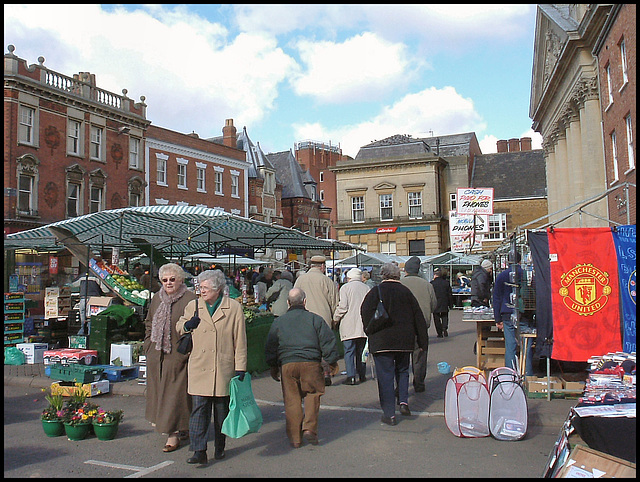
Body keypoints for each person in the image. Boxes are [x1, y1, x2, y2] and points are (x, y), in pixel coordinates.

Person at [177, 269, 247, 466]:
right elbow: (179, 326)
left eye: (205, 288)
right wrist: (187, 325)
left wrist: (240, 367)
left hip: (222, 367)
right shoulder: (194, 306)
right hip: (200, 365)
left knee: (221, 411)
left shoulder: (233, 308)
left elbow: (240, 340)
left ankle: (220, 446)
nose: (202, 291)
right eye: (200, 287)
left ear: (217, 289)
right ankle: (199, 450)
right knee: (199, 410)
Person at [264, 288, 340, 448]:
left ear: (287, 303)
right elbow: (328, 341)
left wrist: (273, 365)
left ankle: (295, 438)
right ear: (305, 302)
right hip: (311, 363)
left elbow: (271, 345)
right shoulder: (315, 319)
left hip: (287, 364)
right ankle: (309, 429)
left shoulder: (279, 322)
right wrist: (331, 361)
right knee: (313, 393)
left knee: (292, 400)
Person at [361, 262, 429, 425]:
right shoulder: (406, 292)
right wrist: (422, 341)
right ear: (398, 275)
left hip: (382, 340)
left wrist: (369, 331)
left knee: (385, 376)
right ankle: (404, 402)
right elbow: (418, 317)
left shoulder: (375, 292)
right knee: (403, 371)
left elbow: (365, 312)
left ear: (383, 275)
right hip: (404, 341)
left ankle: (389, 413)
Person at [143, 262, 196, 453]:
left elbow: (195, 328)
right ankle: (178, 428)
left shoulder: (190, 299)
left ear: (180, 279)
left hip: (178, 356)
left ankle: (173, 433)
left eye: (172, 279)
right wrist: (148, 345)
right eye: (164, 280)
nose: (168, 283)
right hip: (157, 356)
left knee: (176, 397)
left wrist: (186, 352)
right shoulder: (157, 298)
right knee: (162, 395)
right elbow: (149, 322)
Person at [293, 255, 339, 386]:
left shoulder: (300, 280)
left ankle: (307, 374)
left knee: (306, 347)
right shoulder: (327, 281)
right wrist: (334, 320)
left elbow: (294, 298)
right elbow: (334, 302)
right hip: (323, 318)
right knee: (323, 348)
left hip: (303, 318)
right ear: (322, 266)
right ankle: (325, 373)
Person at [492, 252, 534, 375]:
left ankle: (509, 375)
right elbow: (531, 295)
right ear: (520, 260)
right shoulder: (526, 274)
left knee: (510, 345)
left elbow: (497, 298)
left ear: (508, 262)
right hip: (524, 313)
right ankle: (527, 374)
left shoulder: (501, 276)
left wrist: (497, 318)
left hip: (506, 313)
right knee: (526, 346)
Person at [400, 256, 436, 393]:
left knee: (402, 357)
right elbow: (434, 305)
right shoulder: (427, 285)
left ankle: (401, 384)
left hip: (403, 327)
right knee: (420, 356)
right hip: (421, 327)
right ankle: (419, 382)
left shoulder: (400, 283)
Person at [332, 268, 371, 385]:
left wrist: (335, 318)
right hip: (362, 324)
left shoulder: (345, 288)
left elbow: (343, 306)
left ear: (349, 277)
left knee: (349, 351)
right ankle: (362, 374)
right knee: (361, 351)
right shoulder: (366, 288)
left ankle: (351, 376)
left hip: (349, 324)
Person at [77, 269, 108, 335]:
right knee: (90, 317)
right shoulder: (97, 276)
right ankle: (90, 334)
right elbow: (105, 290)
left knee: (83, 317)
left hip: (83, 299)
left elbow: (73, 284)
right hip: (93, 300)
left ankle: (82, 331)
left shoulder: (82, 275)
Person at [431, 268, 454, 338]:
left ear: (435, 275)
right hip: (444, 302)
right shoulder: (446, 283)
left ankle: (439, 332)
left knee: (436, 318)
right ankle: (444, 328)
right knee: (445, 316)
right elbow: (450, 294)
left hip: (435, 303)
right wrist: (451, 304)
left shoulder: (432, 283)